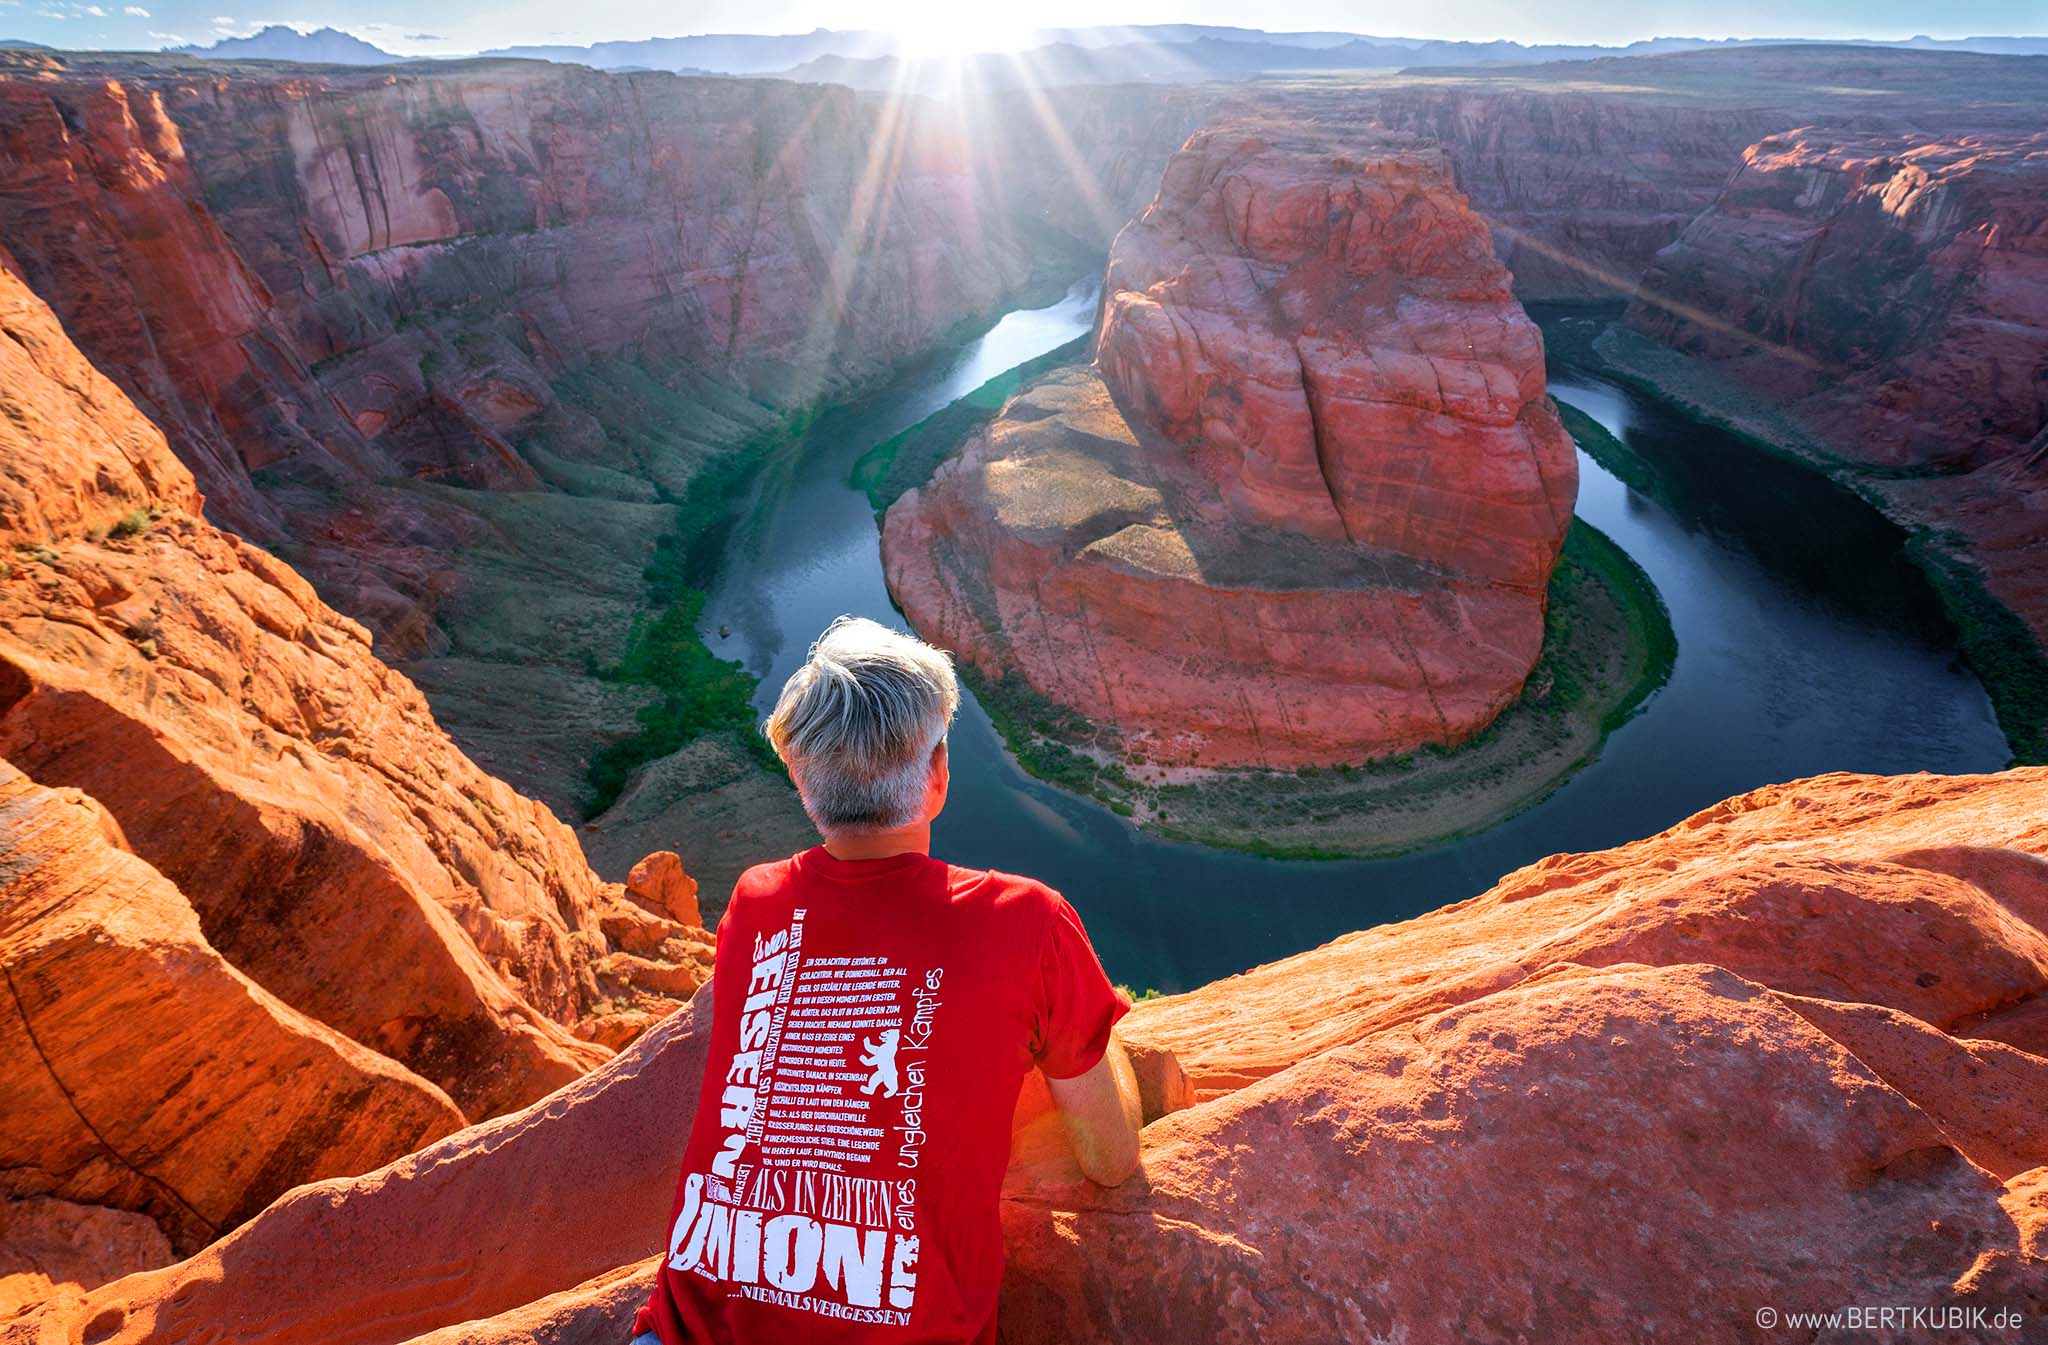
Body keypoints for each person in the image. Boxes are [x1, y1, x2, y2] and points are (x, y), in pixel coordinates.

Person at [631, 616, 1143, 1344]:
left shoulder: (754, 902)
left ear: (804, 785)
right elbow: (1111, 1159)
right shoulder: (1030, 922)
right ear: (936, 776)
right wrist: (1096, 1031)